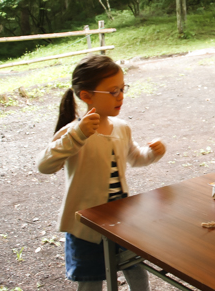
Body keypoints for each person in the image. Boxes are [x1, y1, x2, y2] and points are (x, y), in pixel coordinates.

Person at [37, 55, 166, 291]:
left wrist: (153, 152)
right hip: (86, 226)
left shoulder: (122, 127)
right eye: (113, 91)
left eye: (122, 88)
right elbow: (45, 166)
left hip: (122, 220)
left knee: (137, 271)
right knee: (91, 281)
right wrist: (77, 135)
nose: (121, 96)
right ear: (86, 95)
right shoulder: (73, 132)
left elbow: (135, 158)